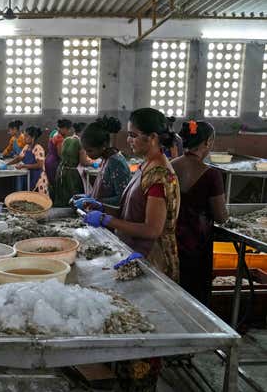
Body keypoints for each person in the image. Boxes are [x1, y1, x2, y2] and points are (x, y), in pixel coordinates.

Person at [81, 108, 180, 281]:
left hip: (152, 260)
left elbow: (152, 230)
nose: (128, 140)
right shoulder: (146, 166)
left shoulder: (160, 175)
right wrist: (103, 207)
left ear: (153, 138)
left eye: (133, 135)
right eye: (128, 134)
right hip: (134, 251)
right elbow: (132, 209)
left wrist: (107, 219)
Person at [172, 120, 228, 305]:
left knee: (171, 293)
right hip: (196, 245)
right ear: (207, 142)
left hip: (170, 242)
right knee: (194, 300)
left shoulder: (170, 166)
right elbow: (221, 216)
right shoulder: (211, 175)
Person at [75, 118, 131, 207]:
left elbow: (123, 198)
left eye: (90, 150)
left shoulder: (116, 163)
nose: (87, 154)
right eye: (85, 150)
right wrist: (87, 197)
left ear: (103, 145)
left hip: (113, 216)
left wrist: (94, 201)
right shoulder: (106, 159)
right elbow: (104, 190)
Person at [54, 122, 92, 207]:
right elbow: (83, 162)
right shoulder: (80, 143)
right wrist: (93, 163)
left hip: (61, 170)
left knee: (62, 195)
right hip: (71, 174)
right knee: (73, 196)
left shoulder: (66, 140)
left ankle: (61, 214)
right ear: (83, 132)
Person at [6, 126, 49, 195]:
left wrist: (23, 166)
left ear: (33, 137)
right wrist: (7, 164)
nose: (24, 138)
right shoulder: (26, 147)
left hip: (38, 178)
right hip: (30, 176)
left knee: (39, 200)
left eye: (26, 136)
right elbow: (19, 158)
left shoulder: (38, 148)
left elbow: (39, 165)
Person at [45, 119, 73, 188]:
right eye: (68, 130)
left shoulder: (54, 134)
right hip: (54, 162)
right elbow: (60, 154)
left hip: (49, 160)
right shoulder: (59, 138)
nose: (68, 132)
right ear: (64, 128)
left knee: (52, 184)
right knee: (56, 184)